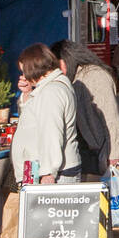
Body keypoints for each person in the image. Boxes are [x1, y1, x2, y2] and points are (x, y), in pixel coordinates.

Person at [51, 40, 119, 172]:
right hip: (95, 150)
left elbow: (111, 116)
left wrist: (114, 153)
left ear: (67, 60)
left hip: (108, 152)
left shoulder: (95, 76)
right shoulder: (75, 78)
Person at [11, 43, 82, 186]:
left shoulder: (51, 92)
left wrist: (48, 172)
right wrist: (27, 93)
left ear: (32, 68)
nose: (23, 76)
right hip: (44, 169)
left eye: (24, 70)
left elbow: (51, 132)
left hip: (53, 173)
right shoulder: (50, 88)